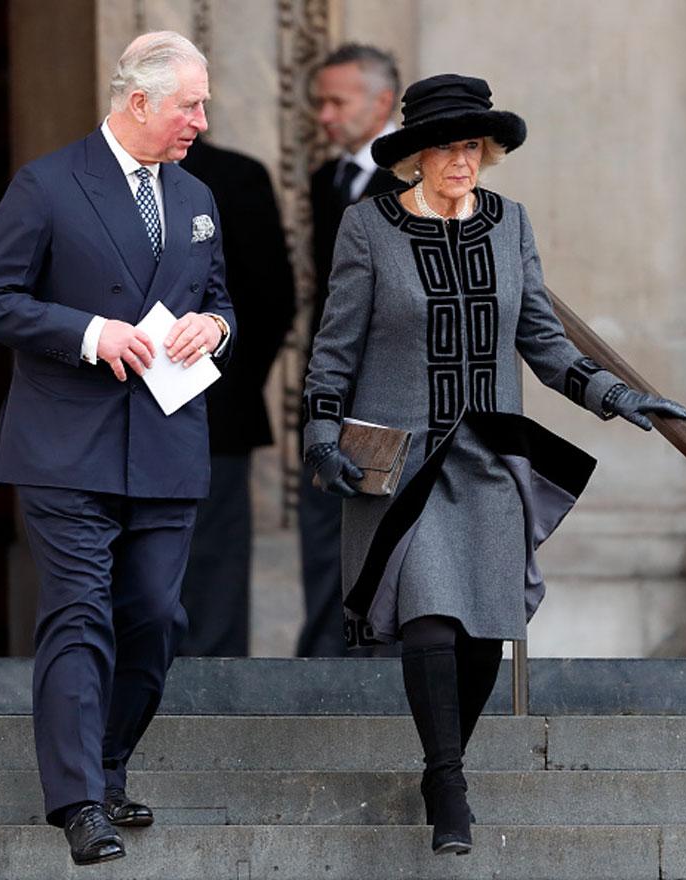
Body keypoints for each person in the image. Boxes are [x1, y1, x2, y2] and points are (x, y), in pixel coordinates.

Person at [301, 74, 686, 856]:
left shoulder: (511, 225)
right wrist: (319, 431)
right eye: (447, 145)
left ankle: (444, 765)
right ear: (414, 156)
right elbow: (336, 341)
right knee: (429, 624)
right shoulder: (368, 228)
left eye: (473, 146)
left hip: (488, 464)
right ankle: (448, 782)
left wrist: (622, 398)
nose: (462, 159)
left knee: (481, 634)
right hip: (403, 464)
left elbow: (545, 344)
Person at [0, 31, 234, 866]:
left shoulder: (196, 193)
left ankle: (110, 763)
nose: (200, 117)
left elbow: (221, 296)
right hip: (65, 446)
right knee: (79, 615)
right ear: (139, 101)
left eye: (203, 103)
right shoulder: (47, 183)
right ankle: (78, 799)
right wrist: (86, 331)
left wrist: (215, 325)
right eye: (190, 103)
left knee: (156, 616)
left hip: (165, 439)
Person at [299, 43, 408, 657]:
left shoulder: (413, 180)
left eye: (336, 101)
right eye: (319, 102)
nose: (324, 116)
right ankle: (322, 661)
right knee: (322, 534)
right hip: (329, 389)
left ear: (382, 102)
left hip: (391, 392)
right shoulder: (328, 180)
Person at [177, 138, 296, 656]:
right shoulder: (83, 177)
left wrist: (221, 379)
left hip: (214, 413)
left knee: (213, 559)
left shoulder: (234, 175)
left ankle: (211, 701)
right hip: (113, 413)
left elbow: (272, 299)